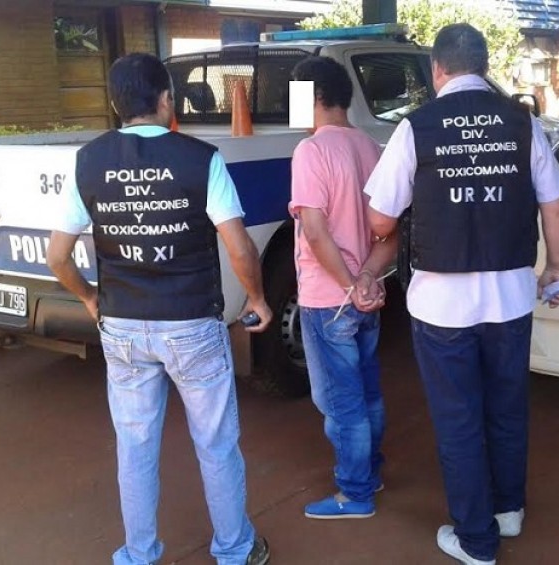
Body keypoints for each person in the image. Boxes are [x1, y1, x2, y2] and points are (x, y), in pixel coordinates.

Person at [46, 52, 272, 565]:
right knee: (215, 442)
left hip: (122, 325)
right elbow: (239, 248)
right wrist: (257, 298)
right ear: (167, 99)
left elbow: (57, 256)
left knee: (135, 445)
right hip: (191, 322)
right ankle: (235, 549)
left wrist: (89, 297)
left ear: (115, 104)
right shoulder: (201, 158)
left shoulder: (88, 161)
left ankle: (139, 553)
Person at [363, 24, 559, 565]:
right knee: (506, 407)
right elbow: (554, 205)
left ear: (437, 69)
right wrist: (556, 269)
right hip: (511, 299)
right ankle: (508, 510)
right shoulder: (523, 123)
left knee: (458, 419)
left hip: (442, 306)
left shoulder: (416, 127)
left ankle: (476, 540)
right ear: (484, 66)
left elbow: (380, 218)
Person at [288, 56, 396, 520]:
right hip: (366, 296)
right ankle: (370, 471)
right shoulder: (372, 148)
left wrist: (349, 285)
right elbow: (390, 232)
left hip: (328, 299)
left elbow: (315, 232)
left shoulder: (311, 151)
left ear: (314, 96)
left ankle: (355, 493)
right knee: (367, 391)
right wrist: (365, 280)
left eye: (295, 95)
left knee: (339, 401)